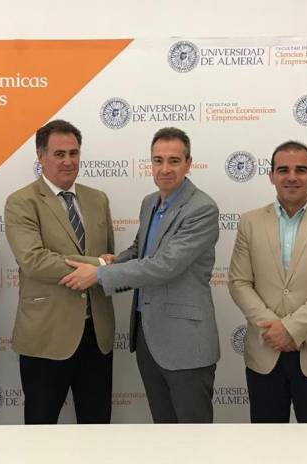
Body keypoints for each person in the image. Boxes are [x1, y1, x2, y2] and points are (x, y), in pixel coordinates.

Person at [61, 127, 220, 423]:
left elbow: (164, 265)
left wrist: (101, 275)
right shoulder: (150, 202)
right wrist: (113, 262)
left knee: (194, 438)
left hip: (185, 342)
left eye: (174, 161)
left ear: (189, 163)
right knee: (163, 430)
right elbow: (140, 250)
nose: (165, 169)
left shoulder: (202, 208)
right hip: (149, 336)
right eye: (158, 160)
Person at [228, 140, 307, 423]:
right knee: (268, 441)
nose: (292, 177)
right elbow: (239, 282)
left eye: (301, 169)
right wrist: (274, 329)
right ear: (271, 175)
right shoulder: (250, 222)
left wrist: (291, 329)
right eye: (283, 170)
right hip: (265, 351)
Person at [4, 119, 115, 424]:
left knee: (97, 428)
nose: (68, 161)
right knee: (41, 429)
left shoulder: (98, 199)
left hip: (96, 336)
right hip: (46, 335)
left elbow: (109, 257)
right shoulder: (21, 201)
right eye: (59, 154)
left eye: (74, 153)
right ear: (40, 157)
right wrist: (98, 265)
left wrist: (105, 265)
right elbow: (34, 260)